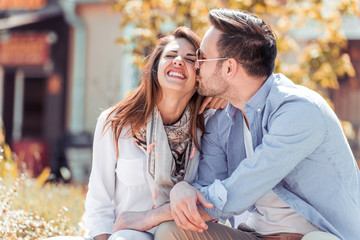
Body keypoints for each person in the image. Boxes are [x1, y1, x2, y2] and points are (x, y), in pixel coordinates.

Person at [154, 9, 360, 240]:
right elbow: (204, 194)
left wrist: (147, 217)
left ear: (229, 68)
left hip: (319, 235)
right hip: (256, 236)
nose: (196, 66)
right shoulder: (221, 121)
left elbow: (235, 193)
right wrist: (183, 189)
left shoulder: (300, 110)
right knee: (170, 232)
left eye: (202, 57)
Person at [46, 27, 226, 240]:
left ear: (199, 77)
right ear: (155, 68)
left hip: (173, 234)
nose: (178, 61)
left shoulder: (209, 126)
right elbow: (99, 202)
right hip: (119, 233)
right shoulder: (116, 123)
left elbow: (214, 197)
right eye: (170, 55)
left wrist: (224, 96)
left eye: (189, 59)